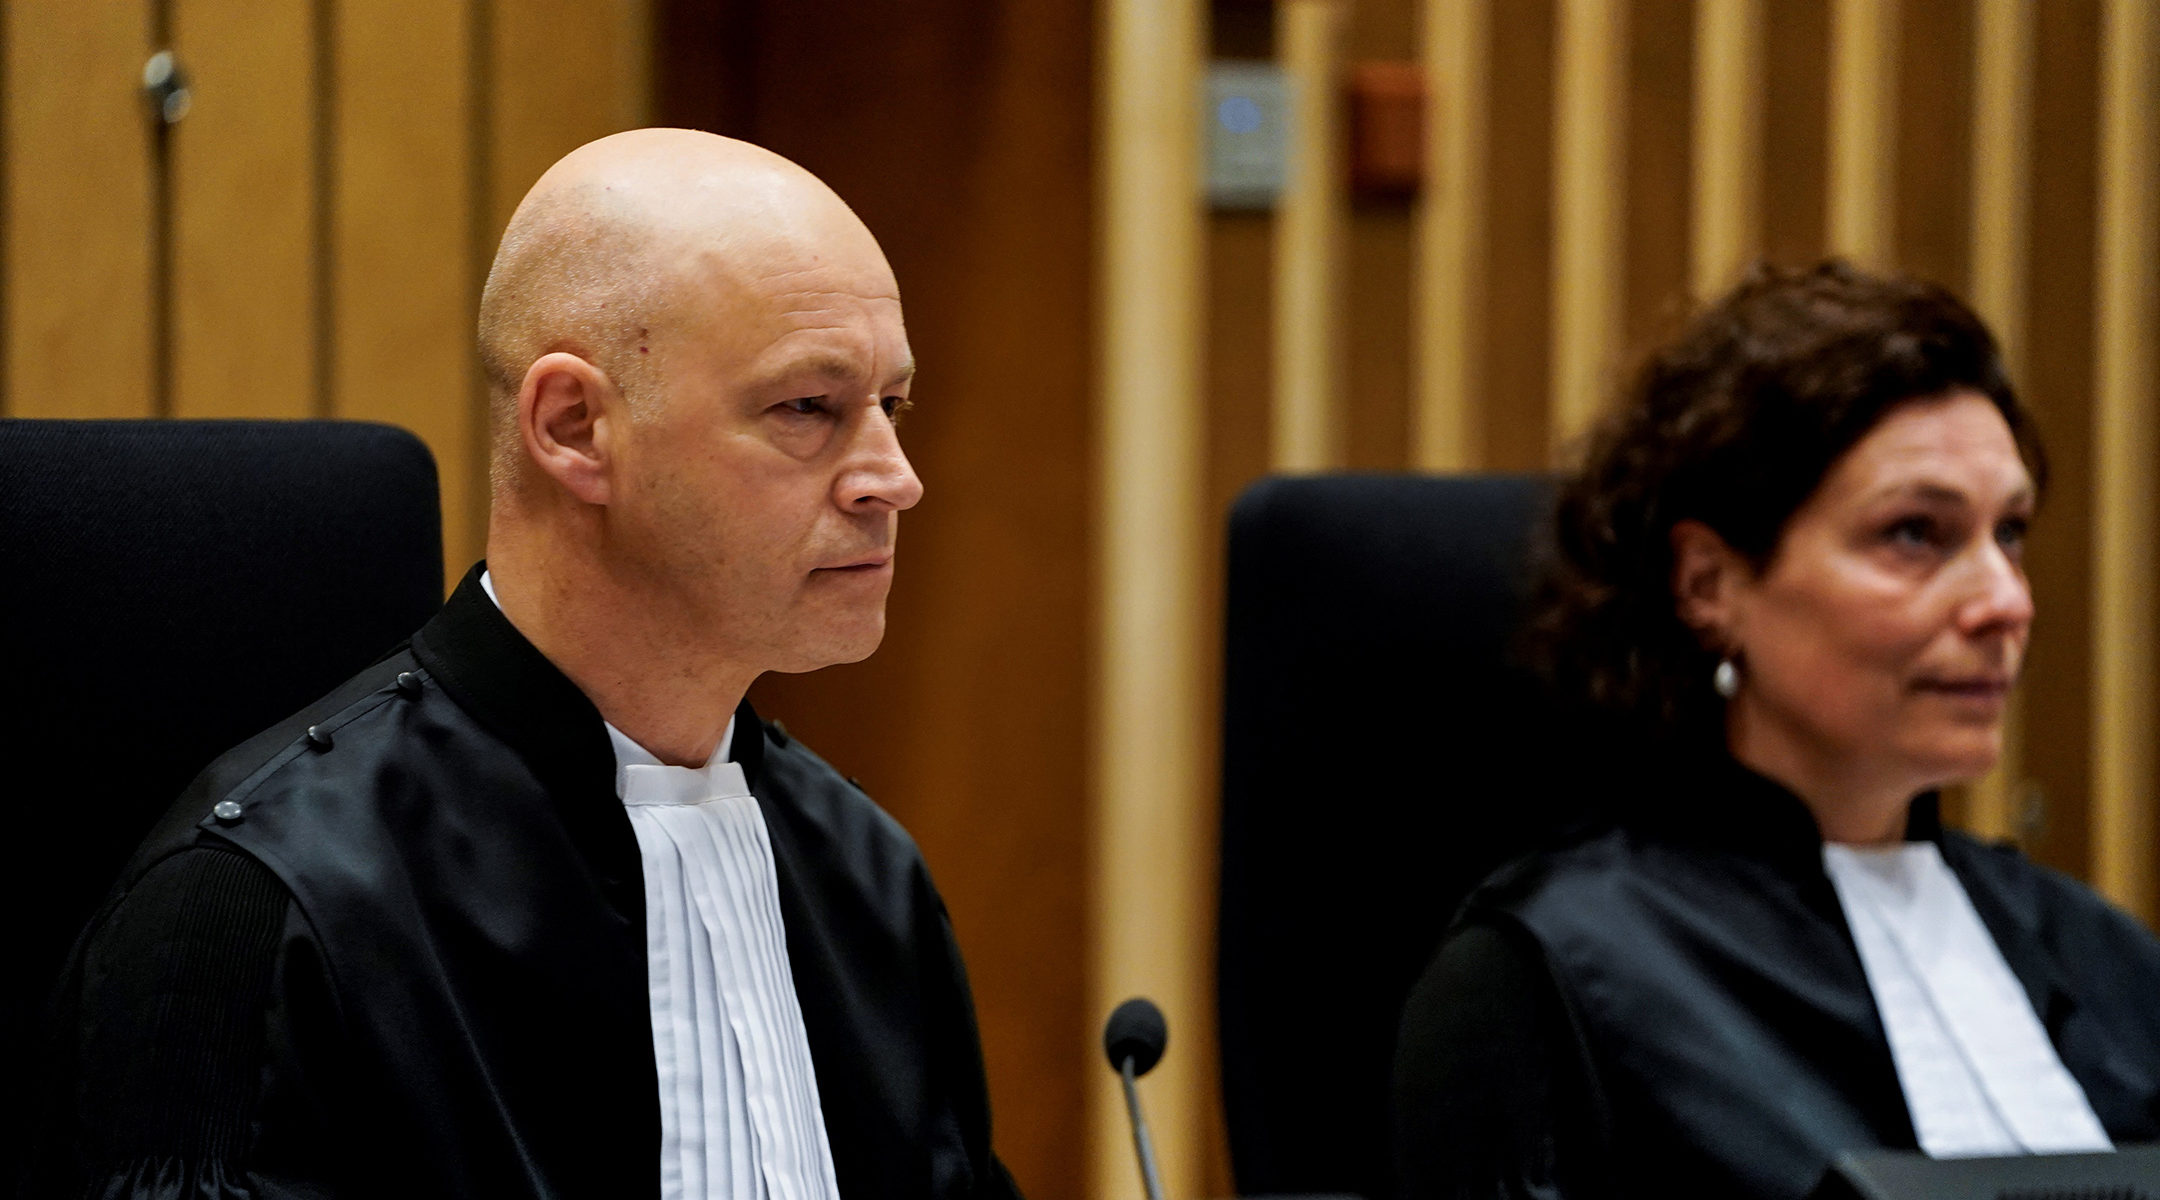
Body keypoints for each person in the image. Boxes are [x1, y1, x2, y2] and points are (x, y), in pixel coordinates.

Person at [29, 130, 1022, 1200]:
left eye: (893, 407)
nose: (893, 479)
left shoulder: (869, 878)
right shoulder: (263, 910)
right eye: (808, 409)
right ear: (575, 426)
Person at [1393, 261, 2160, 1200]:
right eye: (1916, 534)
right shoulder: (1547, 982)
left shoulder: (2104, 955)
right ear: (1709, 584)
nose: (2005, 603)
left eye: (2009, 534)